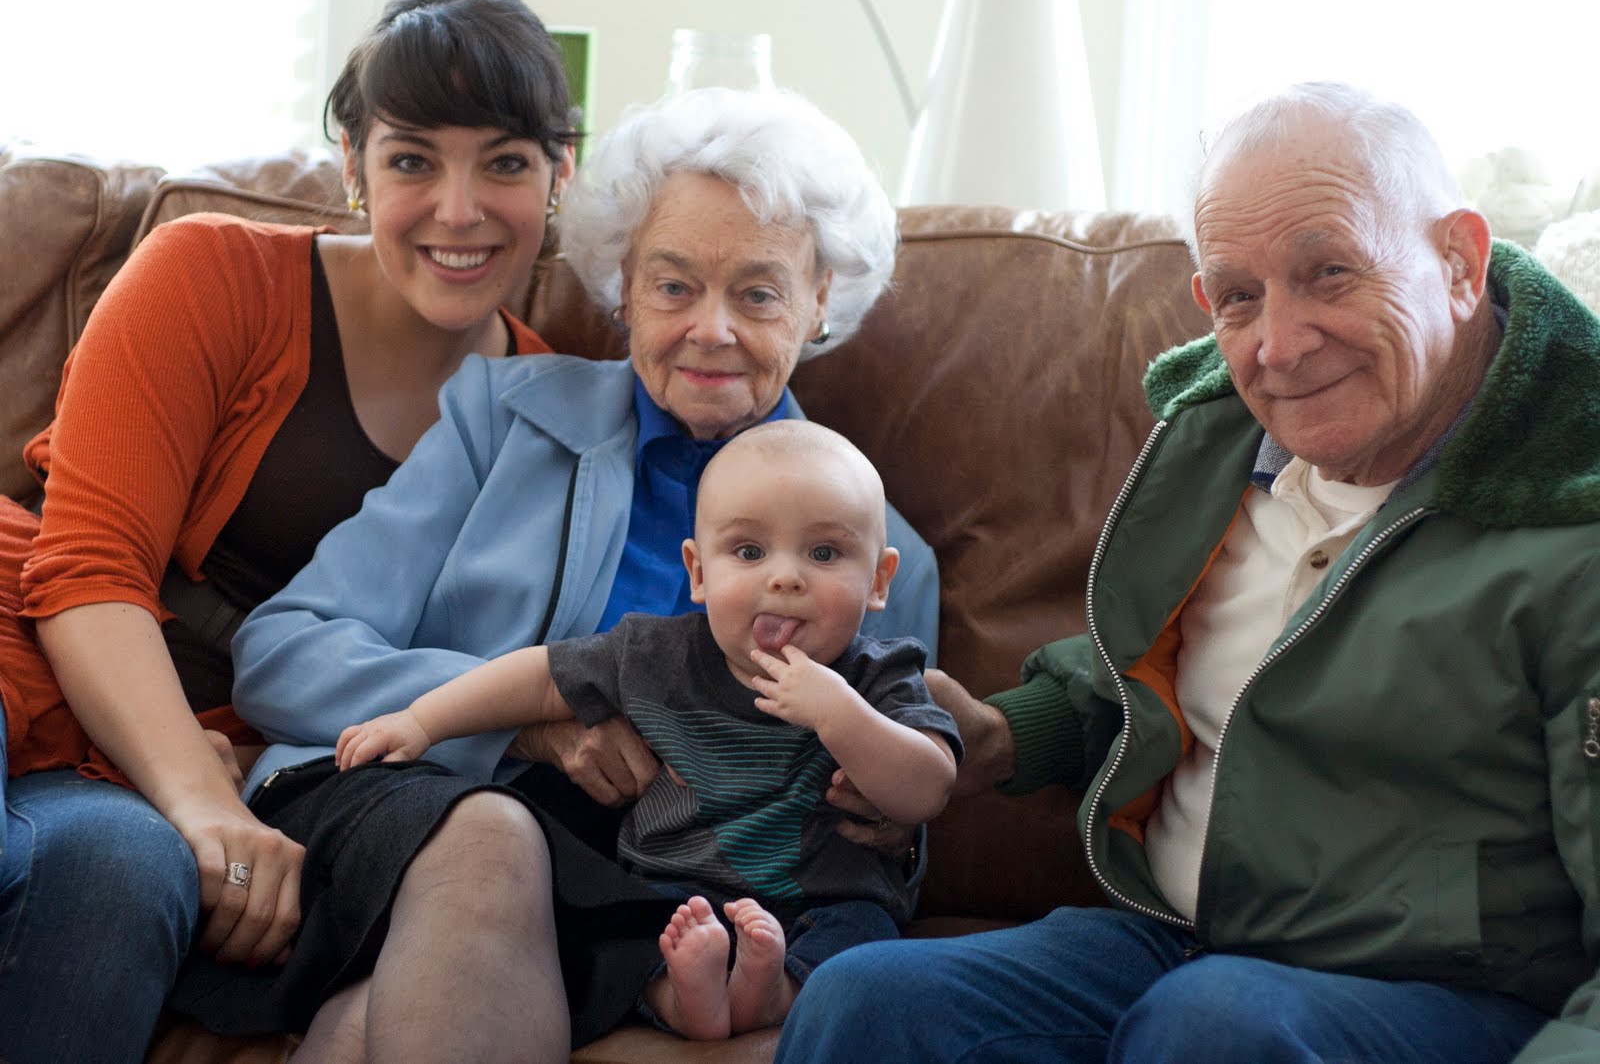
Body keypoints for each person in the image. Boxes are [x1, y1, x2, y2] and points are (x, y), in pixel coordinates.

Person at [775, 80, 1600, 1064]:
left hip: (1441, 997)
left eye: (1329, 272)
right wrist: (1003, 735)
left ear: (1458, 261)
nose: (1278, 346)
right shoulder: (1217, 441)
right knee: (865, 1001)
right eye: (1240, 296)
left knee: (1211, 1024)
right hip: (1174, 940)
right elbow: (1167, 664)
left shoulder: (1567, 514)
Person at [226, 85, 940, 1057]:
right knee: (490, 841)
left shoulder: (880, 558)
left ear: (821, 299)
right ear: (623, 289)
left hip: (649, 907)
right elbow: (280, 650)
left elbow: (882, 824)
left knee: (371, 1031)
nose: (712, 329)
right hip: (426, 812)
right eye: (674, 285)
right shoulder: (505, 421)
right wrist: (524, 723)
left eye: (759, 292)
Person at [0, 0, 574, 1064]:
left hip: (200, 776)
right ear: (352, 168)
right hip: (26, 648)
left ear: (560, 177)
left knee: (123, 876)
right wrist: (200, 803)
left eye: (505, 161)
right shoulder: (211, 274)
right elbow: (84, 568)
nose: (460, 209)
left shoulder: (553, 418)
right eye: (412, 159)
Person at [335, 419, 961, 1040]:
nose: (785, 577)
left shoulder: (882, 676)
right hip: (671, 890)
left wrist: (840, 713)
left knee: (865, 949)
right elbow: (541, 680)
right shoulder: (655, 655)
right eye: (749, 552)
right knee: (615, 933)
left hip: (825, 905)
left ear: (878, 580)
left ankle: (774, 991)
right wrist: (422, 720)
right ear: (698, 572)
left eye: (824, 554)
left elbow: (926, 790)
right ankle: (681, 994)